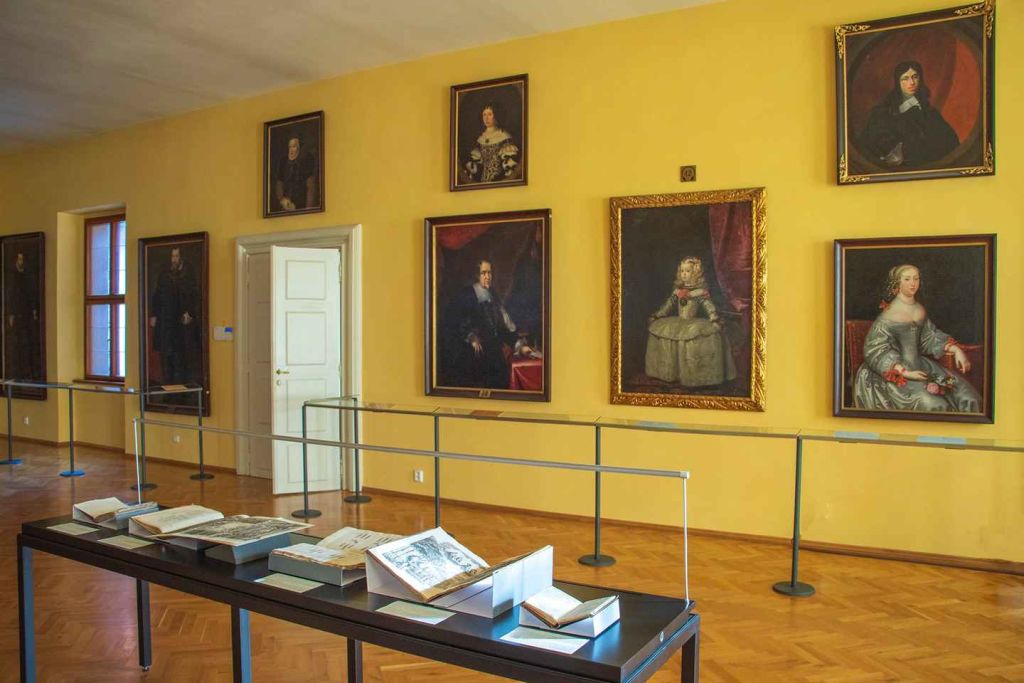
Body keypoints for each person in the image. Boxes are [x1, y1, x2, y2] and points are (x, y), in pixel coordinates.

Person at [852, 264, 980, 413]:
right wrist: (904, 372)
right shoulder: (888, 315)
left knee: (968, 396)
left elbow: (929, 338)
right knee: (934, 405)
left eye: (916, 278)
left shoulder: (919, 309)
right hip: (894, 371)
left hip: (919, 365)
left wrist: (956, 349)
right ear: (897, 283)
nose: (913, 283)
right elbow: (875, 350)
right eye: (907, 279)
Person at [645, 257, 736, 387]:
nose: (684, 274)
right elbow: (667, 306)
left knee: (695, 335)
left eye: (688, 271)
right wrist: (657, 315)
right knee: (664, 330)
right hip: (679, 321)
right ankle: (673, 373)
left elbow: (708, 306)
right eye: (682, 271)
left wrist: (713, 317)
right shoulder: (677, 291)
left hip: (691, 322)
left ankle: (694, 376)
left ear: (695, 273)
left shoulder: (698, 292)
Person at [856, 60, 959, 169]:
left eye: (915, 77)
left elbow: (950, 141)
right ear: (898, 82)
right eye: (905, 78)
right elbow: (871, 143)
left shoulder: (930, 112)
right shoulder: (883, 112)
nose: (912, 82)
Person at [448, 259, 532, 389]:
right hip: (474, 355)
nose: (487, 276)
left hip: (494, 353)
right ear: (477, 275)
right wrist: (471, 337)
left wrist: (519, 346)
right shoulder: (467, 295)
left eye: (489, 273)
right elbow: (458, 322)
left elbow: (502, 326)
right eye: (483, 273)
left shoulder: (493, 295)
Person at [149, 247, 200, 385]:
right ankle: (169, 385)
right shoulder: (165, 274)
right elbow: (158, 294)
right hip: (166, 319)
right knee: (166, 354)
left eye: (176, 256)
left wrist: (189, 312)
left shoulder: (188, 272)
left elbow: (193, 294)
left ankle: (182, 386)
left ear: (181, 257)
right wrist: (154, 314)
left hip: (181, 319)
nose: (174, 259)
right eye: (172, 256)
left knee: (181, 354)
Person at [459, 103, 521, 184]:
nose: (486, 118)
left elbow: (509, 167)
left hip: (500, 181)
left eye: (489, 114)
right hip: (481, 182)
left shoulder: (505, 136)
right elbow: (477, 165)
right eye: (484, 115)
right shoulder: (480, 138)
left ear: (496, 115)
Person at [4, 252, 41, 380]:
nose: (21, 262)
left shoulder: (28, 275)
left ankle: (29, 373)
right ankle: (18, 373)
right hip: (17, 313)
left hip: (27, 313)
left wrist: (34, 310)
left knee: (29, 343)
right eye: (19, 259)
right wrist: (11, 313)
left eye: (22, 259)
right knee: (17, 343)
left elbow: (32, 293)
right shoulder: (11, 276)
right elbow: (10, 295)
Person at [274, 134, 317, 211]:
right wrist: (282, 199)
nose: (291, 150)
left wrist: (308, 210)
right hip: (285, 204)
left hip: (301, 204)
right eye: (289, 147)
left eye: (294, 146)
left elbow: (311, 187)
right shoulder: (283, 161)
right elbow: (279, 183)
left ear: (299, 148)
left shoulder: (306, 160)